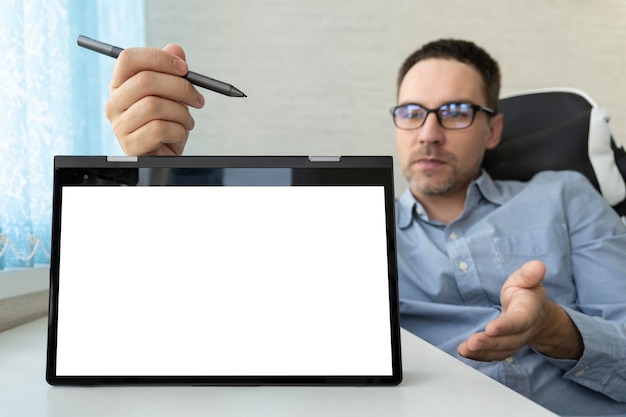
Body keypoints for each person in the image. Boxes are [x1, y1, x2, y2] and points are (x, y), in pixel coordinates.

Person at [105, 38, 626, 416]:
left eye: (456, 112)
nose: (429, 134)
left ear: (493, 129)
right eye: (411, 113)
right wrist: (155, 174)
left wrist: (557, 330)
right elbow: (208, 321)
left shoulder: (564, 195)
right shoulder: (350, 233)